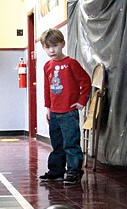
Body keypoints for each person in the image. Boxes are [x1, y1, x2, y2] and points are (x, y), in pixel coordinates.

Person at [39, 28, 91, 185]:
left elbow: (85, 81)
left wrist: (82, 101)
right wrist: (48, 108)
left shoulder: (71, 64)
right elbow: (47, 88)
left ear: (62, 44)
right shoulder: (47, 66)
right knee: (57, 144)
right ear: (43, 48)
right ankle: (56, 172)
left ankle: (74, 172)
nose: (52, 50)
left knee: (71, 143)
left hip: (68, 113)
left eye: (55, 45)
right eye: (47, 47)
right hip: (54, 113)